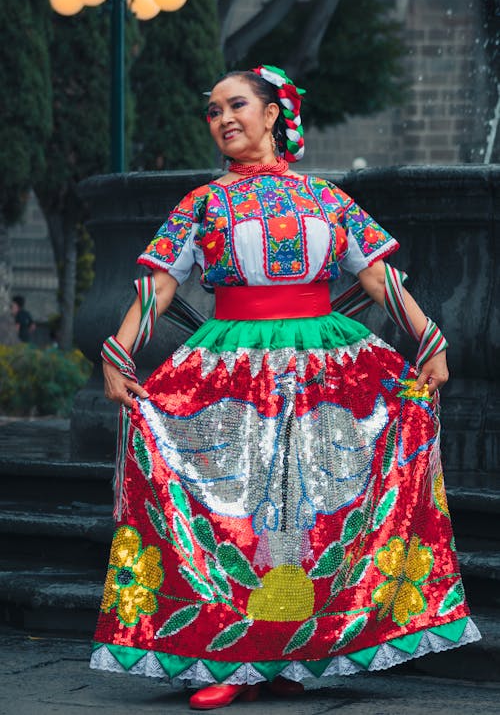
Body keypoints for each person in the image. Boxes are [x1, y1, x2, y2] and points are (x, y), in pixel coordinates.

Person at [91, 65, 480, 709]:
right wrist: (118, 351)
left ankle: (308, 648)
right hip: (231, 368)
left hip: (328, 366)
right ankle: (229, 655)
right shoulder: (202, 203)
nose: (223, 120)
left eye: (236, 105)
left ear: (273, 114)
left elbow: (382, 279)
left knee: (313, 511)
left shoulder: (328, 199)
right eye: (213, 112)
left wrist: (429, 340)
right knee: (235, 512)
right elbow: (158, 285)